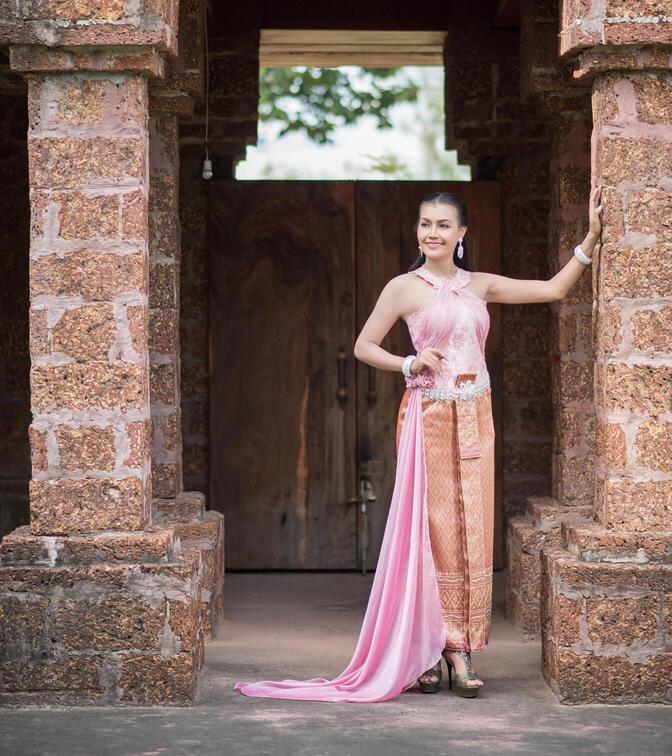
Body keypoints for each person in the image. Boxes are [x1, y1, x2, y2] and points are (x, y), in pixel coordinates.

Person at [234, 185, 603, 703]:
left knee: (473, 527)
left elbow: (552, 289)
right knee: (430, 528)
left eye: (442, 225)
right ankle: (427, 649)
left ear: (461, 234)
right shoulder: (403, 288)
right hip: (428, 416)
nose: (432, 232)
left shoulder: (481, 286)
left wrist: (590, 238)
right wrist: (408, 362)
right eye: (425, 224)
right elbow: (363, 346)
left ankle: (461, 647)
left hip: (476, 415)